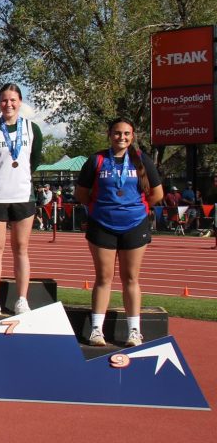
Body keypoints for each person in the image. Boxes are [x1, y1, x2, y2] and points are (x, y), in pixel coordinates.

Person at [74, 118, 163, 347]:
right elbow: (82, 193)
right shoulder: (97, 159)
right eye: (116, 133)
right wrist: (99, 208)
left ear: (132, 136)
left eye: (126, 134)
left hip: (134, 224)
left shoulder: (141, 160)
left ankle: (134, 330)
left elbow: (157, 194)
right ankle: (96, 329)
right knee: (104, 278)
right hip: (102, 224)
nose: (121, 138)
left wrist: (138, 209)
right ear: (109, 134)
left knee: (131, 278)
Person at [0, 84, 43, 316]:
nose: (9, 104)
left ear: (20, 101)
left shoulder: (32, 129)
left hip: (23, 196)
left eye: (13, 100)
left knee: (21, 250)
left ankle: (21, 299)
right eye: (4, 100)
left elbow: (33, 162)